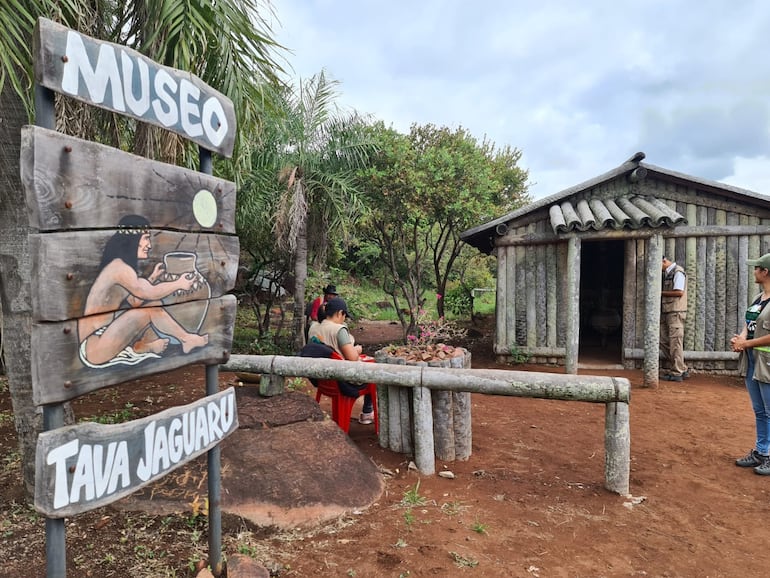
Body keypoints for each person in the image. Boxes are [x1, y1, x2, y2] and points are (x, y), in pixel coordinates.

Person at [77, 215, 209, 368]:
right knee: (151, 309)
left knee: (155, 304)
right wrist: (179, 283)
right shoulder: (119, 267)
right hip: (93, 346)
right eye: (146, 238)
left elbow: (136, 301)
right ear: (133, 240)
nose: (149, 245)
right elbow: (145, 293)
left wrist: (152, 279)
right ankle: (186, 339)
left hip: (103, 338)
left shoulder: (123, 268)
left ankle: (142, 345)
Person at [731, 253, 770, 475]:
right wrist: (741, 339)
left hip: (767, 361)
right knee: (760, 410)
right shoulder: (759, 298)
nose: (754, 271)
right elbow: (750, 323)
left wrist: (747, 343)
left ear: (765, 272)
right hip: (753, 359)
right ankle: (761, 451)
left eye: (757, 268)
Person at [312, 297, 375, 425]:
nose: (344, 319)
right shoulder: (339, 330)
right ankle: (367, 412)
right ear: (340, 313)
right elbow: (352, 357)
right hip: (341, 381)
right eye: (344, 315)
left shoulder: (313, 328)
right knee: (373, 374)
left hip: (322, 379)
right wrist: (357, 349)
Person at [660, 256, 689, 381]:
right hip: (668, 311)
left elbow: (679, 292)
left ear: (664, 261)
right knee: (663, 340)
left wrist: (659, 292)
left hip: (676, 311)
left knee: (675, 342)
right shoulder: (668, 273)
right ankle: (681, 368)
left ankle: (677, 372)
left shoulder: (678, 272)